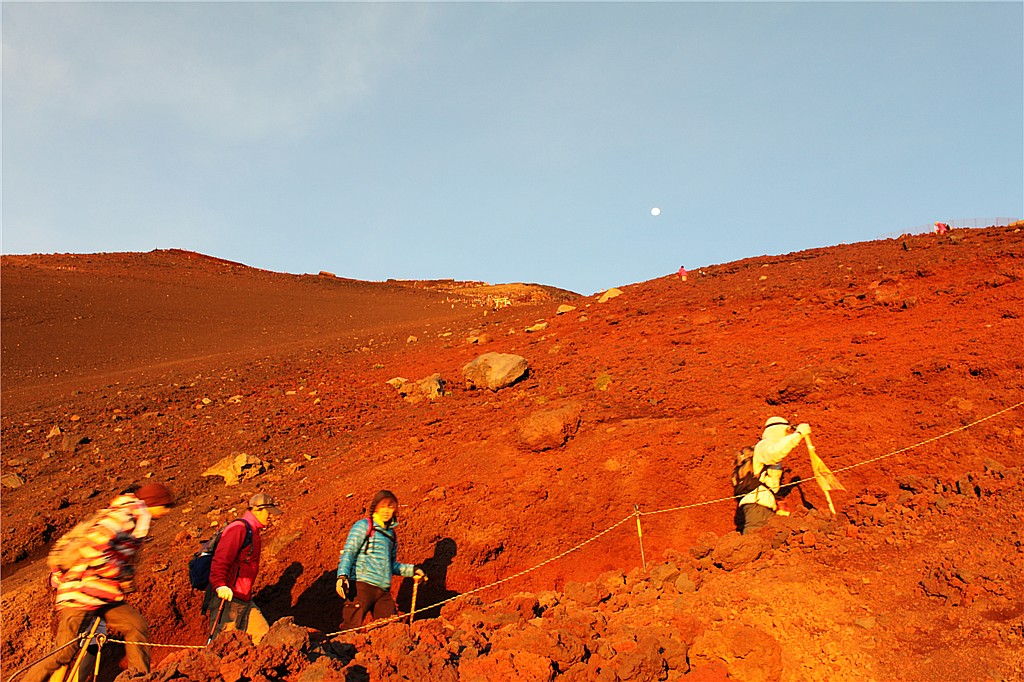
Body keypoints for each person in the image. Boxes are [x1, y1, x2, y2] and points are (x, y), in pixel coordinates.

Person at [23, 483, 175, 682]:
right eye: (165, 506)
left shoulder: (138, 520)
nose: (166, 512)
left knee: (135, 625)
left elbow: (120, 556)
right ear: (153, 503)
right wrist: (113, 573)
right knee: (64, 652)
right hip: (81, 593)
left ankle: (139, 677)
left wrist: (125, 579)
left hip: (103, 594)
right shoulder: (123, 516)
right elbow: (93, 547)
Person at [335, 490, 426, 630]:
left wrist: (412, 570)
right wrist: (342, 576)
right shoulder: (364, 526)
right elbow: (349, 553)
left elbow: (392, 565)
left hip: (382, 591)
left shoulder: (391, 535)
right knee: (350, 630)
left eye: (390, 507)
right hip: (361, 587)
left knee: (391, 630)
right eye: (383, 506)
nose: (386, 511)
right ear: (375, 507)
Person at [205, 492, 282, 644]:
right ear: (257, 510)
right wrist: (220, 585)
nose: (271, 516)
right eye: (268, 512)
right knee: (223, 645)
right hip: (228, 599)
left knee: (264, 638)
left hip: (244, 599)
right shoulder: (239, 529)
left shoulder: (253, 531)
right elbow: (221, 559)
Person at [738, 417, 811, 534]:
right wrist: (798, 434)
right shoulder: (763, 446)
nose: (787, 435)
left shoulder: (767, 447)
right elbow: (776, 452)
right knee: (753, 539)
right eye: (786, 431)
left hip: (763, 505)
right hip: (757, 505)